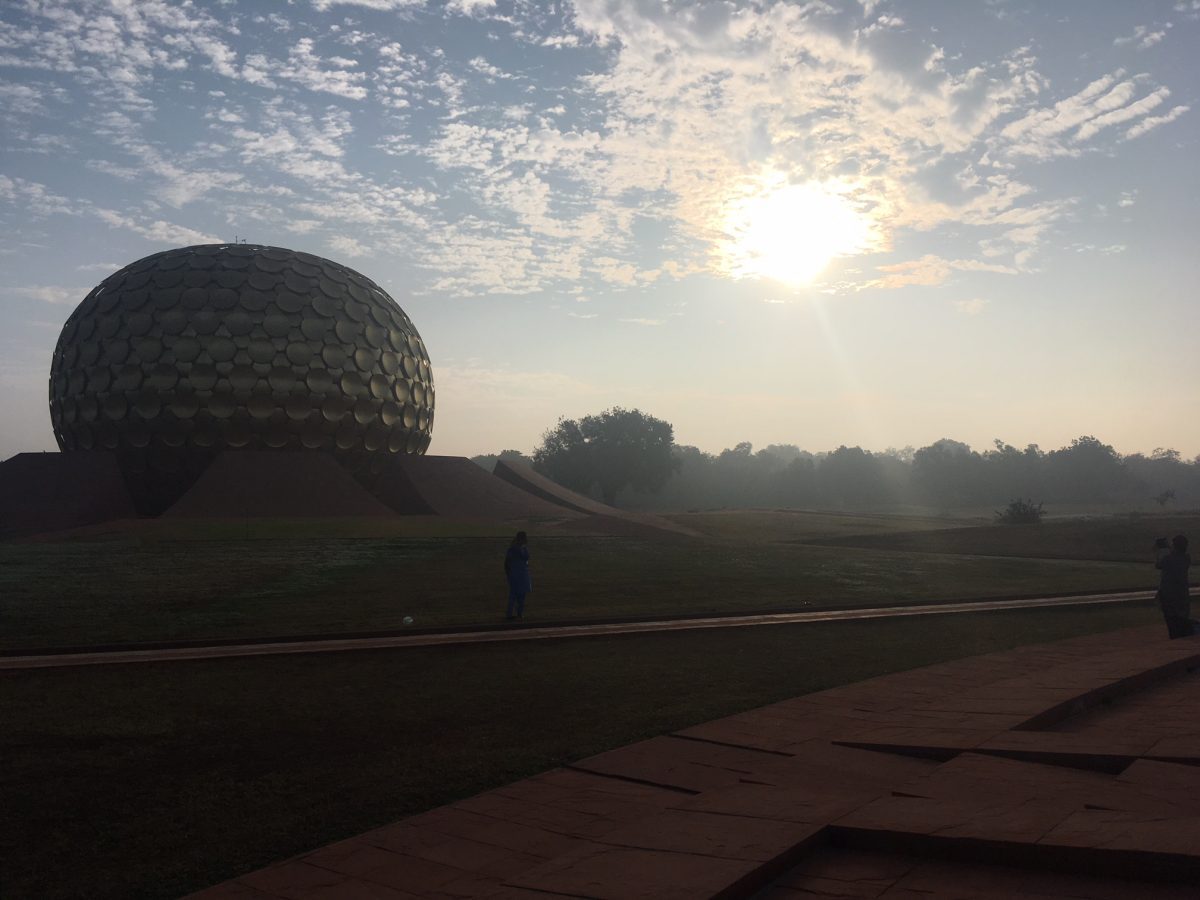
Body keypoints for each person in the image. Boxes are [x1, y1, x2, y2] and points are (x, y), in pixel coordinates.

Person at [1155, 534, 1194, 639]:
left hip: (1169, 596)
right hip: (1182, 596)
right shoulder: (1186, 558)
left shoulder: (1169, 559)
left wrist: (1162, 549)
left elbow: (1159, 564)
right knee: (1182, 622)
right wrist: (1168, 548)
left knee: (1173, 624)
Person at [504, 531, 531, 620]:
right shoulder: (522, 549)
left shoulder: (512, 549)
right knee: (520, 595)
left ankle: (510, 614)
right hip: (522, 574)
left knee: (514, 595)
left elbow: (507, 563)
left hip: (515, 574)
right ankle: (519, 614)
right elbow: (526, 557)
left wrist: (508, 574)